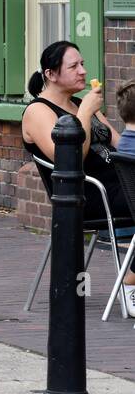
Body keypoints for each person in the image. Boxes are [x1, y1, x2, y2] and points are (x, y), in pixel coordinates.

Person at [22, 42, 135, 316]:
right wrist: (85, 112)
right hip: (89, 195)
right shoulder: (38, 112)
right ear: (51, 74)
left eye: (82, 64)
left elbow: (119, 144)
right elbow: (70, 158)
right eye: (74, 66)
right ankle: (130, 283)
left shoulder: (83, 104)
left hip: (122, 184)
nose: (83, 71)